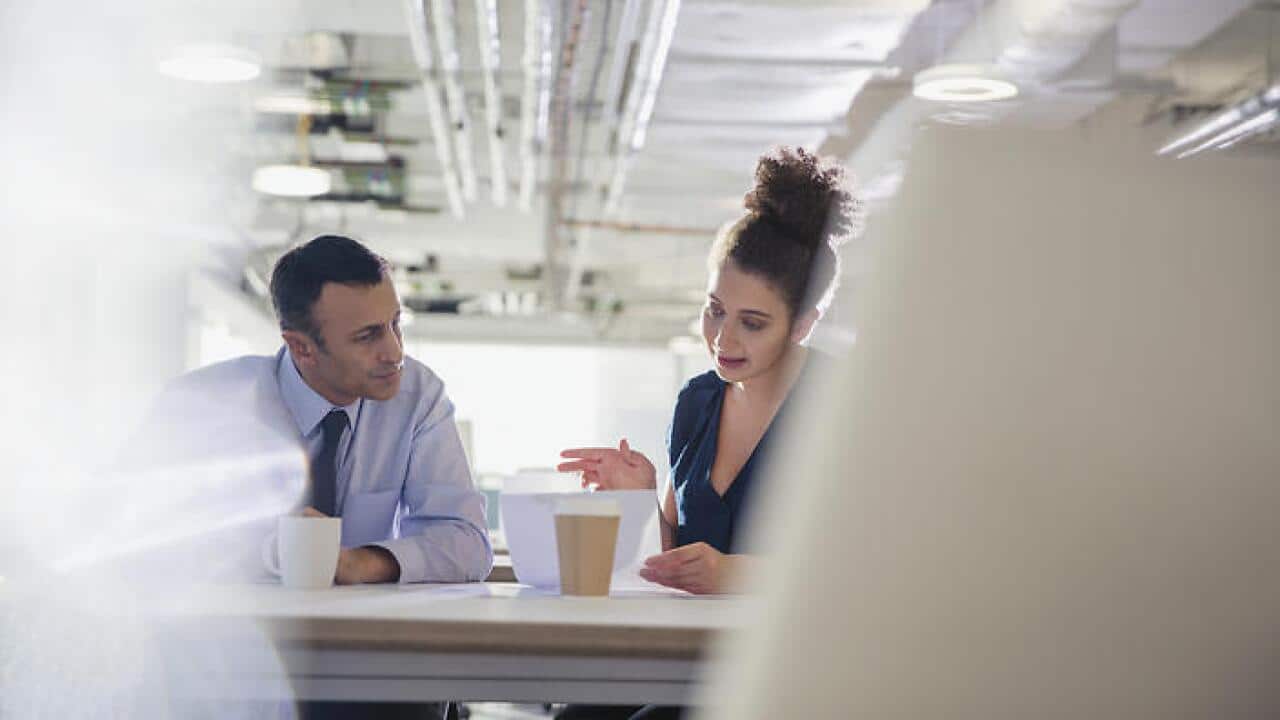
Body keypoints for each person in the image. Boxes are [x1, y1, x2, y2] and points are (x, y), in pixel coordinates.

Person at [554, 147, 861, 719]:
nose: (724, 339)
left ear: (803, 324)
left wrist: (735, 574)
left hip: (786, 670)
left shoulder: (841, 407)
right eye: (715, 310)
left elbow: (866, 568)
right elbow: (671, 562)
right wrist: (639, 498)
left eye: (753, 323)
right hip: (683, 660)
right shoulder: (697, 402)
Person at [132, 234, 491, 719]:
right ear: (301, 347)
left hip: (368, 666)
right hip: (226, 660)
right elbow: (134, 535)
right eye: (367, 336)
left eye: (394, 324)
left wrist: (365, 562)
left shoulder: (417, 396)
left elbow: (467, 541)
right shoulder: (203, 404)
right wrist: (268, 547)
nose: (394, 351)